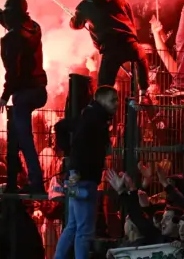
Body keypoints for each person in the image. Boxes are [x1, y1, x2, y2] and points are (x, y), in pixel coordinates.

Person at [0, 0, 49, 194]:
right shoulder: (34, 27)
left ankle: (36, 182)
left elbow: (13, 72)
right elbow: (7, 20)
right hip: (40, 90)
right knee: (15, 137)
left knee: (25, 139)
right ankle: (19, 174)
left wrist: (5, 95)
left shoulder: (12, 38)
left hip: (24, 94)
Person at [53, 86, 117, 259]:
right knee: (84, 230)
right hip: (84, 178)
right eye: (112, 100)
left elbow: (60, 126)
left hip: (77, 176)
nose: (116, 104)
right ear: (101, 100)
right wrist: (75, 162)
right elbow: (80, 145)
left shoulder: (87, 116)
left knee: (73, 225)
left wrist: (69, 156)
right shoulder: (94, 121)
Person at [70, 0, 150, 99]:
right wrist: (134, 40)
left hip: (110, 49)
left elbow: (76, 25)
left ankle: (103, 112)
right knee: (141, 57)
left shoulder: (87, 4)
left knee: (104, 88)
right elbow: (132, 22)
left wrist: (74, 18)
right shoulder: (121, 0)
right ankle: (144, 94)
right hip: (130, 43)